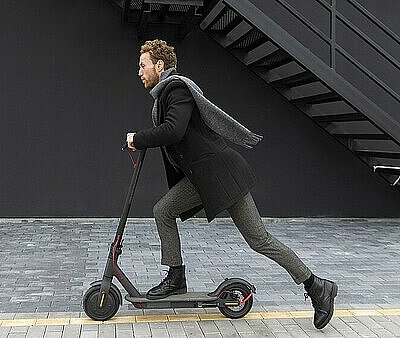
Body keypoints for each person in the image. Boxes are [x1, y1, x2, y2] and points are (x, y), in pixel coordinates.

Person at [126, 39, 337, 329]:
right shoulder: (165, 95)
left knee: (259, 239)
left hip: (223, 176)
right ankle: (176, 277)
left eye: (143, 65)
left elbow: (173, 130)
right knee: (163, 210)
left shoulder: (177, 89)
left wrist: (138, 138)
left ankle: (317, 287)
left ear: (159, 66)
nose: (139, 71)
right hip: (203, 178)